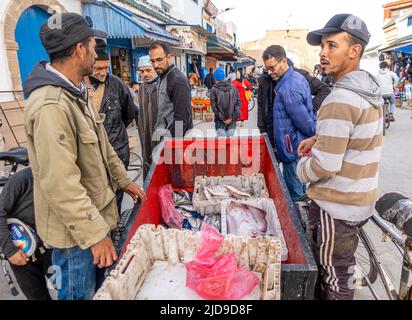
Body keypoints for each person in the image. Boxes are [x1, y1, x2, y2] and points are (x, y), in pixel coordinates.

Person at [23, 12, 146, 300]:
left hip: (95, 222)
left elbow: (103, 147)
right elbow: (61, 183)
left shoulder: (77, 93)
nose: (95, 53)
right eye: (92, 45)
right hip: (76, 238)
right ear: (80, 49)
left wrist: (123, 180)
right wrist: (94, 236)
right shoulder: (51, 105)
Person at [297, 14, 383, 300]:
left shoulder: (340, 98)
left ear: (354, 51)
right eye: (322, 46)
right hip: (360, 198)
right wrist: (320, 138)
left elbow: (325, 165)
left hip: (337, 206)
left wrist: (301, 169)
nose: (323, 53)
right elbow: (357, 135)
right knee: (344, 270)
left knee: (335, 278)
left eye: (332, 45)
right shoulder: (368, 89)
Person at [84, 38, 137, 213]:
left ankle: (115, 236)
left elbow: (129, 114)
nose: (103, 72)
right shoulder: (77, 87)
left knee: (115, 201)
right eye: (98, 68)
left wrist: (113, 130)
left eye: (106, 68)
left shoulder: (117, 84)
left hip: (117, 152)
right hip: (90, 158)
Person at [262, 45, 316, 202]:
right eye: (268, 69)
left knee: (295, 195)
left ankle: (300, 224)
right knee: (300, 187)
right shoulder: (295, 78)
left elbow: (305, 124)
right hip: (295, 145)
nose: (270, 72)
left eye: (272, 68)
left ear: (283, 61)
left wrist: (313, 138)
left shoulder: (288, 88)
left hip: (292, 147)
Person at [0, 168, 52, 300]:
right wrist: (10, 250)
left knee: (65, 289)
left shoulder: (59, 180)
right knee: (37, 296)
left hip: (50, 250)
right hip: (21, 254)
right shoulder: (21, 179)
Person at [149, 42, 193, 139]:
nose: (155, 65)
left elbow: (182, 118)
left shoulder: (177, 81)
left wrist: (170, 142)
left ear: (169, 58)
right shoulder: (163, 76)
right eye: (152, 61)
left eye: (159, 60)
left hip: (174, 142)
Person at [136, 55, 159, 179]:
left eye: (148, 70)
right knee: (148, 169)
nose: (145, 74)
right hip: (145, 139)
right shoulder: (140, 91)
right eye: (142, 71)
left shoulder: (164, 88)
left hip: (162, 139)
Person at [209, 67, 241, 137]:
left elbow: (213, 106)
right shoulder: (233, 88)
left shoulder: (214, 89)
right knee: (229, 142)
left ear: (215, 78)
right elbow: (238, 104)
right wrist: (231, 117)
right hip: (232, 120)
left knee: (221, 143)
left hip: (219, 120)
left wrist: (222, 118)